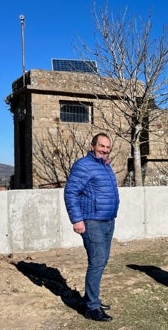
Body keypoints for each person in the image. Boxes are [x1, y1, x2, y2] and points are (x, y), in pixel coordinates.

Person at [64, 132, 120, 322]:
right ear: (92, 145)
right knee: (97, 261)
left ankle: (92, 298)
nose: (105, 150)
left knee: (102, 261)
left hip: (107, 220)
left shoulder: (105, 166)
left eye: (107, 147)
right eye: (101, 146)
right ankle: (92, 308)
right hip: (91, 220)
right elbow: (71, 192)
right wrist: (76, 220)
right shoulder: (83, 165)